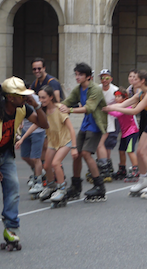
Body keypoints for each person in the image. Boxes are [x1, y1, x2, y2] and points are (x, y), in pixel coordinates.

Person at [0, 77, 48, 251]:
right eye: (21, 95)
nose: (24, 98)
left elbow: (44, 124)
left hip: (5, 156)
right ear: (10, 98)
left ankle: (11, 230)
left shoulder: (23, 108)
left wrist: (36, 105)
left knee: (13, 188)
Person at [103, 70, 147, 199]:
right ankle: (143, 180)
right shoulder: (141, 93)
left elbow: (135, 110)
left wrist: (114, 108)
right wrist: (112, 107)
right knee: (139, 152)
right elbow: (128, 102)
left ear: (142, 81)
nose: (133, 80)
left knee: (144, 152)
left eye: (136, 78)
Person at [17, 86, 77, 208]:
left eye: (43, 97)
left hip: (65, 141)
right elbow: (35, 125)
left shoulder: (60, 108)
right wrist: (22, 138)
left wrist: (74, 147)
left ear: (51, 97)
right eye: (39, 97)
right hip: (52, 142)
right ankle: (51, 186)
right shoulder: (43, 111)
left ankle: (62, 189)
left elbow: (71, 128)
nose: (41, 100)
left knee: (56, 163)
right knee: (46, 165)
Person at [58, 62, 108, 203]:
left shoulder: (95, 90)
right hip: (86, 125)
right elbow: (68, 101)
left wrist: (70, 110)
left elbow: (90, 108)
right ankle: (76, 186)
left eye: (80, 75)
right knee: (76, 155)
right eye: (76, 74)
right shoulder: (78, 89)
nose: (77, 77)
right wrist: (55, 107)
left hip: (96, 125)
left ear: (88, 77)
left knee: (86, 153)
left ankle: (99, 186)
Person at [106, 88, 140, 182]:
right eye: (115, 96)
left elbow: (118, 114)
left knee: (130, 151)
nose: (116, 98)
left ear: (124, 97)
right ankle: (122, 169)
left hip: (132, 132)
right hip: (125, 133)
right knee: (121, 151)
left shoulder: (127, 106)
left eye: (118, 96)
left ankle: (135, 169)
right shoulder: (118, 105)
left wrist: (107, 109)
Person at [96, 69, 119, 181]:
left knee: (107, 144)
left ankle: (106, 166)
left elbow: (121, 103)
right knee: (99, 143)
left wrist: (111, 109)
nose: (104, 80)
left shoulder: (115, 90)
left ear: (111, 79)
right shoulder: (97, 89)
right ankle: (102, 165)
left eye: (106, 78)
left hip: (111, 118)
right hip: (99, 118)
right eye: (102, 78)